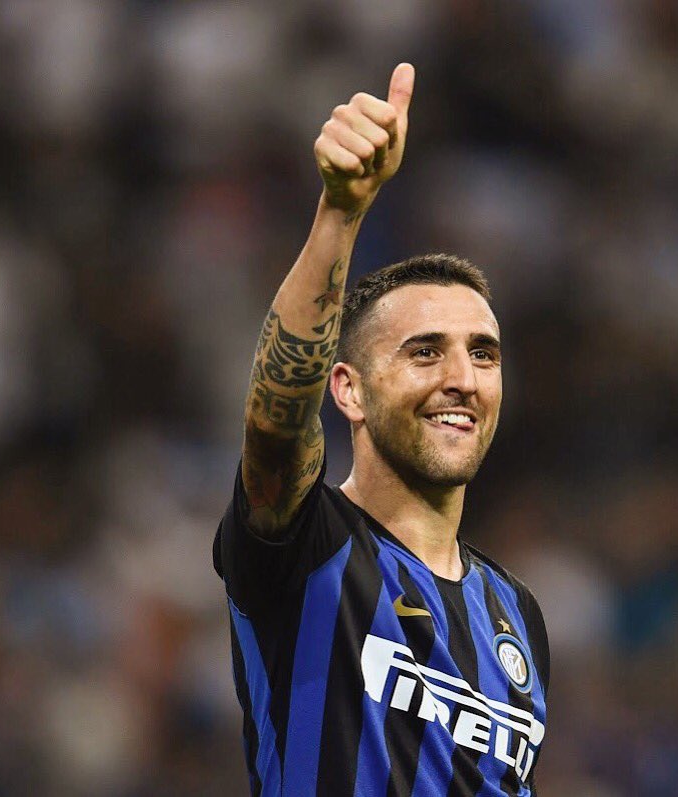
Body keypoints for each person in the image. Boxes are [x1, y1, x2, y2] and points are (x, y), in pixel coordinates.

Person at [213, 63, 549, 796]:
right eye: (424, 351)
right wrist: (340, 213)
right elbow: (275, 423)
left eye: (482, 354)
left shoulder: (516, 613)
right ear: (348, 390)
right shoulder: (307, 544)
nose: (461, 377)